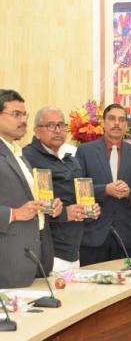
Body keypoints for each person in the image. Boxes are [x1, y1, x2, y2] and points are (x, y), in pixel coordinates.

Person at [76, 103, 131, 265]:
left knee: (125, 281)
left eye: (121, 120)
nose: (117, 123)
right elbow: (77, 188)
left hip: (126, 237)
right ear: (103, 122)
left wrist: (129, 193)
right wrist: (105, 190)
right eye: (112, 119)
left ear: (126, 125)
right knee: (91, 281)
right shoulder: (85, 151)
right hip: (93, 236)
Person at [23, 107, 101, 272]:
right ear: (37, 131)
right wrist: (65, 213)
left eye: (61, 125)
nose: (57, 130)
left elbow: (76, 198)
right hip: (48, 251)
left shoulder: (70, 159)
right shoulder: (28, 158)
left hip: (73, 249)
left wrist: (89, 209)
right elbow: (26, 205)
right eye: (51, 126)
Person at [0, 90, 62, 288]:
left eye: (24, 114)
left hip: (36, 255)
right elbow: (18, 210)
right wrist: (15, 214)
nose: (23, 120)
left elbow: (27, 198)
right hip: (8, 261)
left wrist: (50, 205)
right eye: (16, 114)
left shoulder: (17, 153)